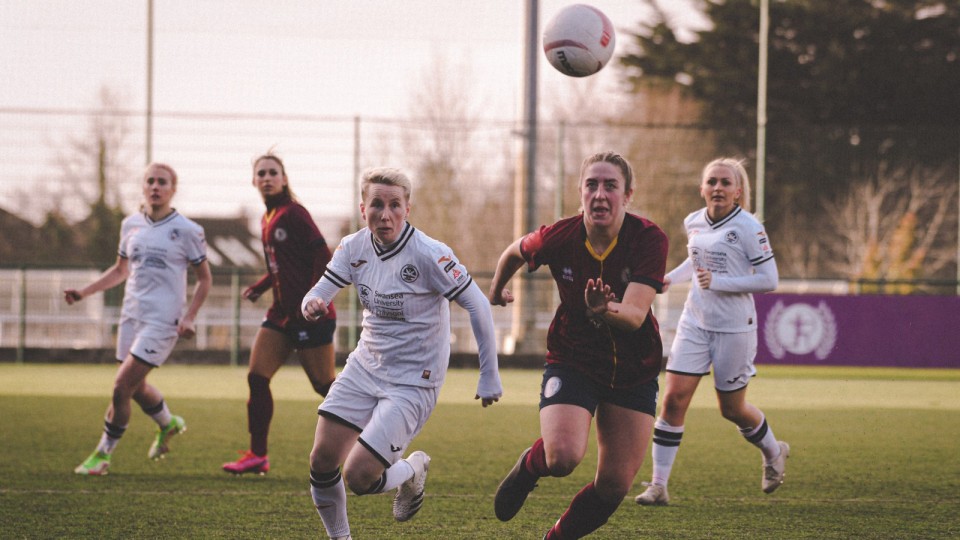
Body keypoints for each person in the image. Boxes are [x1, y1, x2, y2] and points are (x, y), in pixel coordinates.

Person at [300, 167, 503, 540]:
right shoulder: (353, 246)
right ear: (364, 209)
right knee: (321, 461)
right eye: (377, 204)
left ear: (407, 208)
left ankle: (412, 470)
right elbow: (319, 292)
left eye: (395, 204)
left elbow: (477, 305)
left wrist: (489, 374)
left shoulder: (430, 254)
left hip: (414, 380)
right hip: (365, 366)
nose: (385, 213)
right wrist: (311, 303)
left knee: (359, 476)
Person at [489, 151, 668, 539]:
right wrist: (496, 288)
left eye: (610, 186)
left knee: (614, 486)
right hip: (575, 358)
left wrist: (602, 311)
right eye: (592, 185)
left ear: (628, 194)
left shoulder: (649, 238)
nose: (600, 194)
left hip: (634, 367)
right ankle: (529, 466)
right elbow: (514, 251)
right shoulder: (560, 235)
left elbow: (635, 315)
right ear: (580, 192)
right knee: (563, 457)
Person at [634, 157, 788, 507]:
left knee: (732, 409)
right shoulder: (694, 221)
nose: (718, 188)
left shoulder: (750, 228)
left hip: (734, 328)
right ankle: (658, 486)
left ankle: (774, 450)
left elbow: (769, 280)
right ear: (702, 189)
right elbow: (696, 260)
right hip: (695, 322)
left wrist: (720, 282)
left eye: (725, 183)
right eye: (712, 182)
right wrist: (672, 277)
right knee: (674, 399)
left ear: (737, 191)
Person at [65, 162, 212, 476]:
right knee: (136, 384)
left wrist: (189, 317)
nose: (155, 187)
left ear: (173, 189)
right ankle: (167, 422)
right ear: (143, 187)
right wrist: (84, 292)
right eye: (150, 181)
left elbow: (205, 279)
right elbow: (120, 270)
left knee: (121, 387)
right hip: (132, 316)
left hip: (163, 321)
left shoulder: (188, 230)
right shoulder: (130, 224)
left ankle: (102, 455)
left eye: (162, 182)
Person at [222, 152, 337, 475]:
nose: (267, 177)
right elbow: (284, 264)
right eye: (262, 173)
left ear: (284, 179)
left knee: (325, 386)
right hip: (280, 313)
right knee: (257, 377)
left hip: (310, 314)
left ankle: (376, 432)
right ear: (254, 181)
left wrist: (316, 298)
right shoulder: (266, 218)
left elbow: (322, 256)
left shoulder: (295, 214)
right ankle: (258, 455)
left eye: (273, 172)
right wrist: (262, 285)